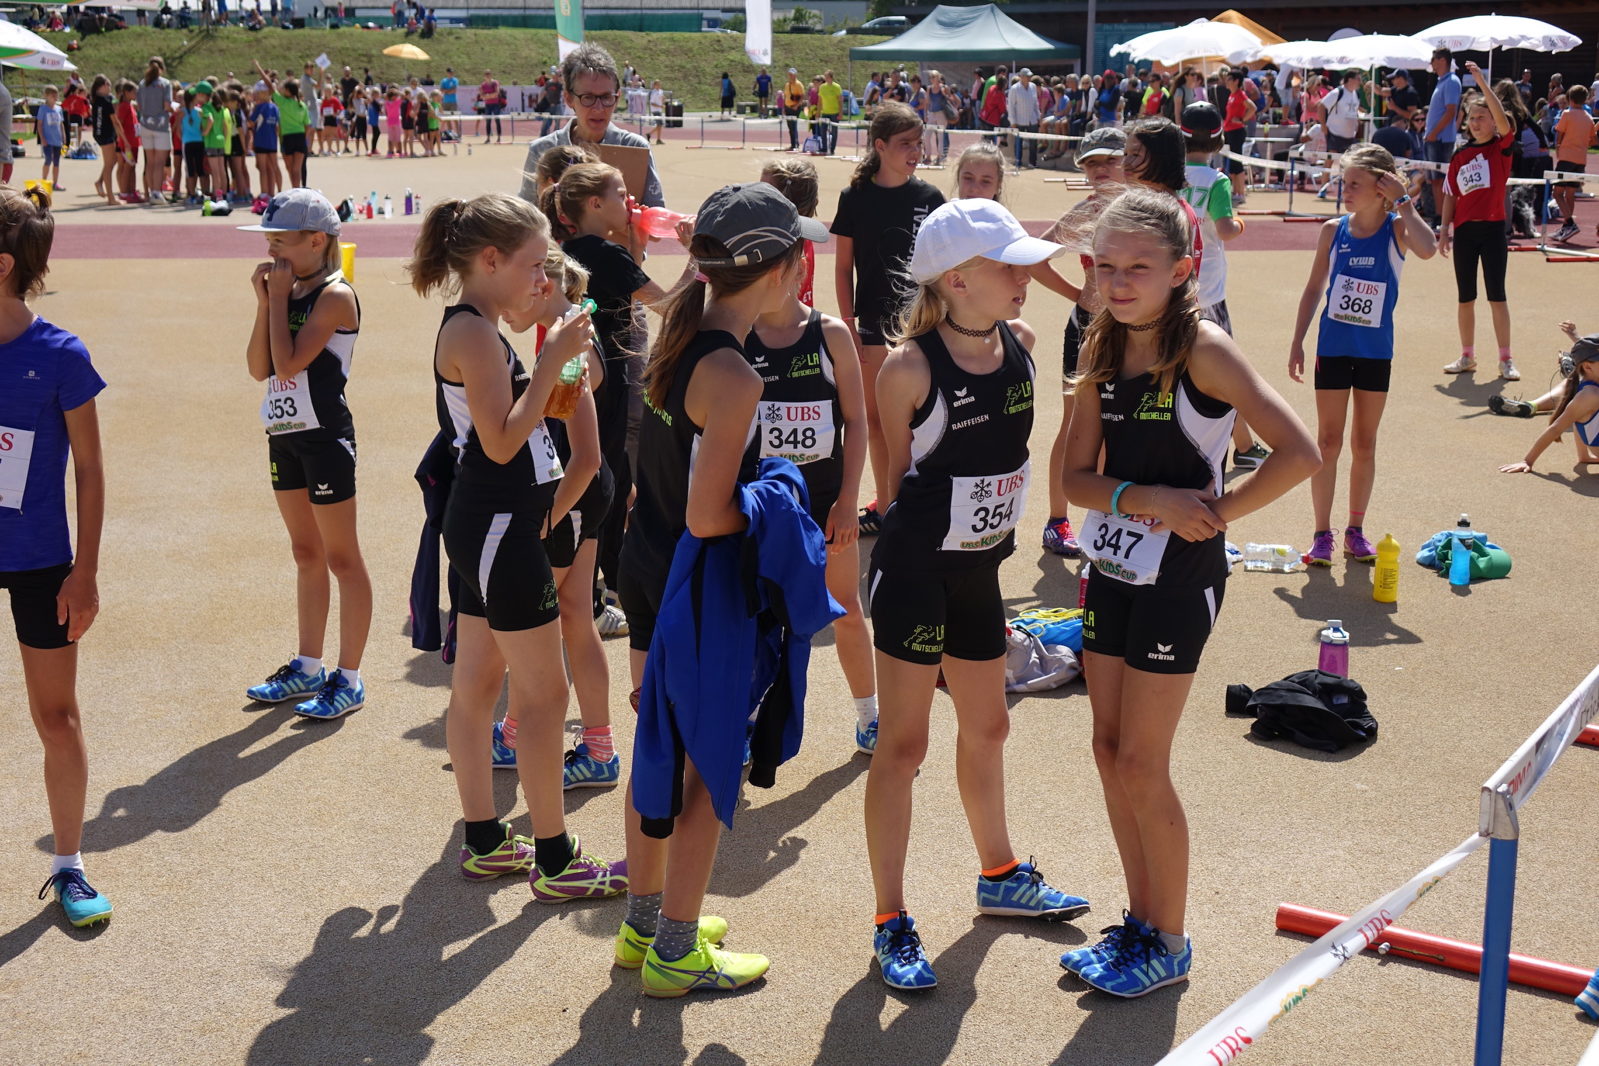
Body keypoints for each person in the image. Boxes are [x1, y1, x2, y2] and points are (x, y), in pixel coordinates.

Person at [1062, 187, 1319, 997]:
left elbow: (1299, 452)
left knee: (1141, 761)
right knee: (1106, 749)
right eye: (1105, 265)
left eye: (1136, 268)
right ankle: (1139, 925)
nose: (1117, 281)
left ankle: (1168, 941)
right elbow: (1072, 479)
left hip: (1179, 579)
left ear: (1181, 270)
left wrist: (1213, 514)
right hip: (1112, 569)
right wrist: (1144, 499)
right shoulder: (1100, 341)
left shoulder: (1203, 348)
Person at [864, 198, 1089, 991]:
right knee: (903, 748)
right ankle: (890, 919)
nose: (1027, 275)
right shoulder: (908, 368)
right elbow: (893, 483)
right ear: (956, 280)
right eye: (1009, 265)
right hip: (914, 574)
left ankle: (999, 876)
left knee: (988, 725)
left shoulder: (1020, 342)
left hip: (978, 574)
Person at [616, 183, 829, 996]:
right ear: (782, 269)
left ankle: (643, 925)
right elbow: (710, 515)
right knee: (710, 764)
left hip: (648, 564)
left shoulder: (681, 331)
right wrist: (777, 498)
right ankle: (675, 950)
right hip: (698, 585)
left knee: (657, 752)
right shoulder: (734, 373)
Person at [410, 192, 628, 897]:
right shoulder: (472, 333)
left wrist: (563, 368)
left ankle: (483, 840)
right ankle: (556, 862)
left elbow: (528, 423)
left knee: (478, 685)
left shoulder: (479, 328)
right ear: (490, 260)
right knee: (542, 694)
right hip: (499, 520)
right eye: (533, 265)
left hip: (494, 520)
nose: (542, 278)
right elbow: (502, 442)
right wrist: (552, 359)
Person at [0, 187, 112, 929]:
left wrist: (85, 571)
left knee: (57, 716)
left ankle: (68, 865)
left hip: (40, 559)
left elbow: (91, 469)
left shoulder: (60, 355)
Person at [746, 174, 873, 752]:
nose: (783, 272)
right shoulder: (735, 335)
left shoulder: (830, 334)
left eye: (792, 258)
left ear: (800, 264)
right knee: (756, 619)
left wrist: (849, 501)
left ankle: (869, 715)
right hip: (759, 509)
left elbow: (858, 421)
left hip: (824, 503)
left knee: (845, 611)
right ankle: (747, 720)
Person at [541, 160, 695, 634]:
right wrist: (697, 259)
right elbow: (670, 306)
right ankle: (596, 596)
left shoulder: (577, 249)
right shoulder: (606, 255)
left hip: (579, 371)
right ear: (594, 204)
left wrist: (633, 243)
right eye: (621, 194)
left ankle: (597, 587)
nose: (631, 202)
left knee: (597, 473)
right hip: (608, 378)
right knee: (607, 478)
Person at [239, 190, 371, 720]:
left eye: (281, 240)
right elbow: (259, 368)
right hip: (285, 434)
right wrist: (265, 303)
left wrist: (277, 301)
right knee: (305, 552)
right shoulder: (284, 291)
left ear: (317, 241)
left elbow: (290, 364)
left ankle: (349, 678)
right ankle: (308, 666)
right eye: (268, 239)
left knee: (342, 558)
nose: (271, 250)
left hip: (325, 439)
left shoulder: (336, 296)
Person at [490, 247, 618, 789]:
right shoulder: (570, 329)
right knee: (573, 617)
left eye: (509, 297)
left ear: (542, 286)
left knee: (539, 625)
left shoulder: (568, 344)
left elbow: (584, 455)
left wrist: (545, 520)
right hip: (582, 491)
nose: (502, 311)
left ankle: (518, 736)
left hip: (572, 495)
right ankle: (596, 747)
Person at [1287, 144, 1436, 566]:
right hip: (1333, 347)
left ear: (1381, 187)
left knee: (1364, 444)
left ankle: (1356, 529)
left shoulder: (1398, 229)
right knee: (1328, 442)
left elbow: (1428, 249)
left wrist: (1405, 202)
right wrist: (1297, 341)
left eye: (1355, 184)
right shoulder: (1333, 230)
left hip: (1375, 352)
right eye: (1344, 182)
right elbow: (1314, 288)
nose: (1345, 190)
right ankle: (1321, 535)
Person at [829, 102, 944, 535]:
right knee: (877, 422)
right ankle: (886, 505)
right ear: (880, 146)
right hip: (873, 325)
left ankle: (916, 500)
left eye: (919, 142)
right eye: (905, 143)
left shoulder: (930, 198)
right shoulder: (854, 198)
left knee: (921, 420)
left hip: (924, 325)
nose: (916, 151)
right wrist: (848, 323)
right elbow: (843, 267)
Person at [1029, 126, 1126, 558]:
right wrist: (1078, 294)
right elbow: (1035, 257)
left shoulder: (1145, 207)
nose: (1100, 170)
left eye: (1110, 160)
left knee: (1122, 427)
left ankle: (1107, 519)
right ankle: (1057, 519)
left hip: (1134, 331)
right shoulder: (1086, 210)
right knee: (1075, 424)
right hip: (1090, 326)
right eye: (1091, 164)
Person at [1439, 61, 1518, 382]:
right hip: (1465, 231)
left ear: (1494, 122)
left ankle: (1506, 359)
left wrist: (1482, 84)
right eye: (1471, 118)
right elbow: (1450, 195)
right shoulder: (1459, 156)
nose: (1475, 123)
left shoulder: (1501, 148)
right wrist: (1443, 230)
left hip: (1494, 230)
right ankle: (1467, 355)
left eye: (1481, 117)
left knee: (1496, 295)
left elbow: (1503, 121)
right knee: (1465, 297)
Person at [518, 43, 665, 209]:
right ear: (569, 99)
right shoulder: (542, 150)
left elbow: (657, 212)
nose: (598, 108)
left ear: (617, 98)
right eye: (588, 97)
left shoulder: (635, 148)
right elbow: (526, 217)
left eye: (606, 97)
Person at [1500, 331, 1599, 473]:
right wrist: (1527, 461)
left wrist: (1584, 456)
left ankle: (1584, 455)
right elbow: (1556, 428)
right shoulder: (1590, 395)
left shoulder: (1586, 385)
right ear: (1588, 367)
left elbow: (1577, 419)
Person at [1551, 86, 1596, 243]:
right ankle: (1566, 226)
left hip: (1566, 158)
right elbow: (1593, 140)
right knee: (1570, 194)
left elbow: (1559, 134)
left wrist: (1558, 148)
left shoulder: (1567, 114)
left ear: (1570, 99)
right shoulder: (1588, 118)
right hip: (1580, 160)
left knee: (1557, 193)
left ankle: (1569, 223)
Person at [1424, 48, 1462, 224]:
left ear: (1442, 60)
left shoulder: (1451, 82)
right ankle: (1439, 216)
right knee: (1435, 181)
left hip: (1441, 139)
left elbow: (1450, 111)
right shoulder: (1442, 82)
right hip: (1435, 138)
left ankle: (1442, 217)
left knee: (1440, 180)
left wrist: (1434, 133)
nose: (1431, 63)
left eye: (1433, 59)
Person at [136, 57, 172, 203]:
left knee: (149, 162)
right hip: (161, 126)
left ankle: (152, 192)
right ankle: (157, 192)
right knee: (159, 163)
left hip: (145, 124)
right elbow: (167, 105)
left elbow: (139, 106)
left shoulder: (142, 84)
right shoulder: (165, 84)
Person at [1220, 68, 1255, 206]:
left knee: (1237, 163)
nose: (1226, 81)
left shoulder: (1240, 94)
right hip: (1229, 131)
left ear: (1236, 81)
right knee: (1232, 164)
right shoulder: (1232, 95)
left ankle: (1240, 193)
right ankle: (1235, 192)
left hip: (1236, 131)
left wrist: (1242, 120)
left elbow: (1252, 107)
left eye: (1229, 79)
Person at [89, 75, 120, 206]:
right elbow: (115, 121)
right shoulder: (105, 101)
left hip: (101, 133)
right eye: (108, 85)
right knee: (109, 164)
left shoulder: (97, 100)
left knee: (113, 160)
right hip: (105, 134)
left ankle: (100, 181)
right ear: (102, 86)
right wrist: (121, 135)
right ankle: (110, 197)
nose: (110, 88)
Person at [1320, 70, 1363, 155]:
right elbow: (1321, 106)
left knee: (1348, 159)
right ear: (1350, 80)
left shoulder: (1356, 94)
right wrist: (1323, 125)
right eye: (1358, 79)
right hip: (1335, 132)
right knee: (1332, 158)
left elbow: (1355, 111)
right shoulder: (1338, 92)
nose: (1360, 82)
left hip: (1350, 135)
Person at [37, 86, 65, 192]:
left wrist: (63, 136)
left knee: (56, 162)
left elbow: (61, 124)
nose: (55, 97)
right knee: (48, 159)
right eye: (52, 95)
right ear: (46, 96)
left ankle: (55, 183)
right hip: (47, 140)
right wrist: (42, 138)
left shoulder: (59, 109)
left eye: (56, 95)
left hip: (57, 140)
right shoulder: (43, 109)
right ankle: (43, 182)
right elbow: (39, 124)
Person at [818, 71, 843, 156]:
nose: (826, 78)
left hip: (834, 112)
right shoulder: (822, 87)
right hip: (825, 112)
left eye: (827, 77)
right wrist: (818, 112)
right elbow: (820, 100)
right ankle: (824, 147)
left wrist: (840, 113)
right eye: (825, 77)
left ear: (831, 77)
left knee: (834, 131)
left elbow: (840, 101)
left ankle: (832, 149)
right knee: (823, 131)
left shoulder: (837, 87)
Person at [782, 68, 805, 152]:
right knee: (790, 126)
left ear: (795, 75)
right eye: (789, 74)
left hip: (795, 107)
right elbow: (786, 96)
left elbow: (802, 96)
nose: (790, 76)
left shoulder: (799, 84)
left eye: (792, 74)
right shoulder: (787, 84)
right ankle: (793, 144)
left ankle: (795, 144)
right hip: (788, 107)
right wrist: (784, 107)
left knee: (793, 126)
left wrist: (797, 105)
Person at [479, 69, 504, 143]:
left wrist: (487, 96)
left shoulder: (495, 83)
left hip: (495, 104)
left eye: (488, 74)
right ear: (484, 76)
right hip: (488, 104)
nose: (487, 76)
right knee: (488, 121)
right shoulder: (483, 85)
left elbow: (497, 93)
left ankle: (499, 138)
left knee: (497, 120)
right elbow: (481, 96)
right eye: (486, 74)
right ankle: (488, 138)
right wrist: (490, 96)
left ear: (491, 75)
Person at [648, 79, 665, 145]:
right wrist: (659, 106)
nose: (659, 85)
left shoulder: (661, 91)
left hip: (659, 110)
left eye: (659, 84)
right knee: (660, 124)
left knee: (659, 125)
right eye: (657, 84)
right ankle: (657, 139)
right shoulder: (653, 93)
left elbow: (662, 98)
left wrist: (663, 101)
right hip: (655, 110)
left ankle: (651, 135)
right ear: (654, 85)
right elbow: (652, 103)